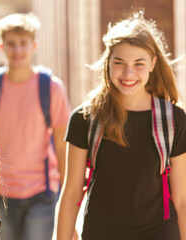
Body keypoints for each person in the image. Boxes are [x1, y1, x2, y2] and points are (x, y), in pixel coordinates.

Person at [56, 12, 186, 240]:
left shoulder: (174, 119)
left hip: (159, 233)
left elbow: (183, 198)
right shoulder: (85, 118)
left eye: (139, 64)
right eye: (119, 63)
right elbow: (72, 192)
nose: (128, 73)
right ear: (108, 62)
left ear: (152, 64)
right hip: (101, 233)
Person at [0, 13, 71, 240]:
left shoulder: (51, 88)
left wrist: (68, 196)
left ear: (34, 46)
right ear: (2, 46)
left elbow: (61, 144)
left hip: (42, 191)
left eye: (23, 44)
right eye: (11, 44)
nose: (17, 50)